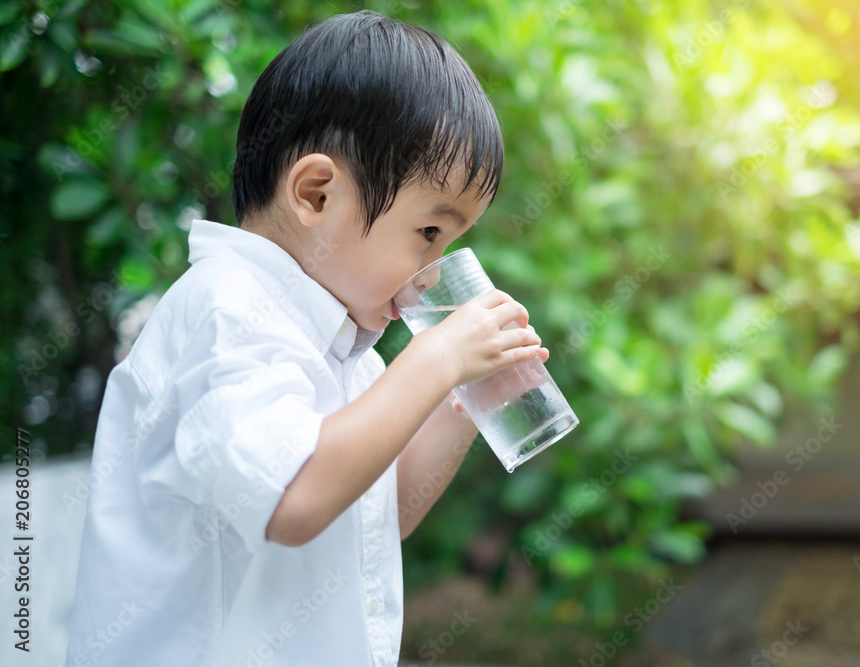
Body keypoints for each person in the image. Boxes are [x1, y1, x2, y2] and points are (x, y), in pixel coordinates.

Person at [65, 10, 547, 666]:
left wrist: (460, 398)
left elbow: (385, 507)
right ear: (315, 195)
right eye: (430, 233)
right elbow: (295, 497)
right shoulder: (227, 309)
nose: (433, 272)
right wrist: (435, 358)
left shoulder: (344, 354)